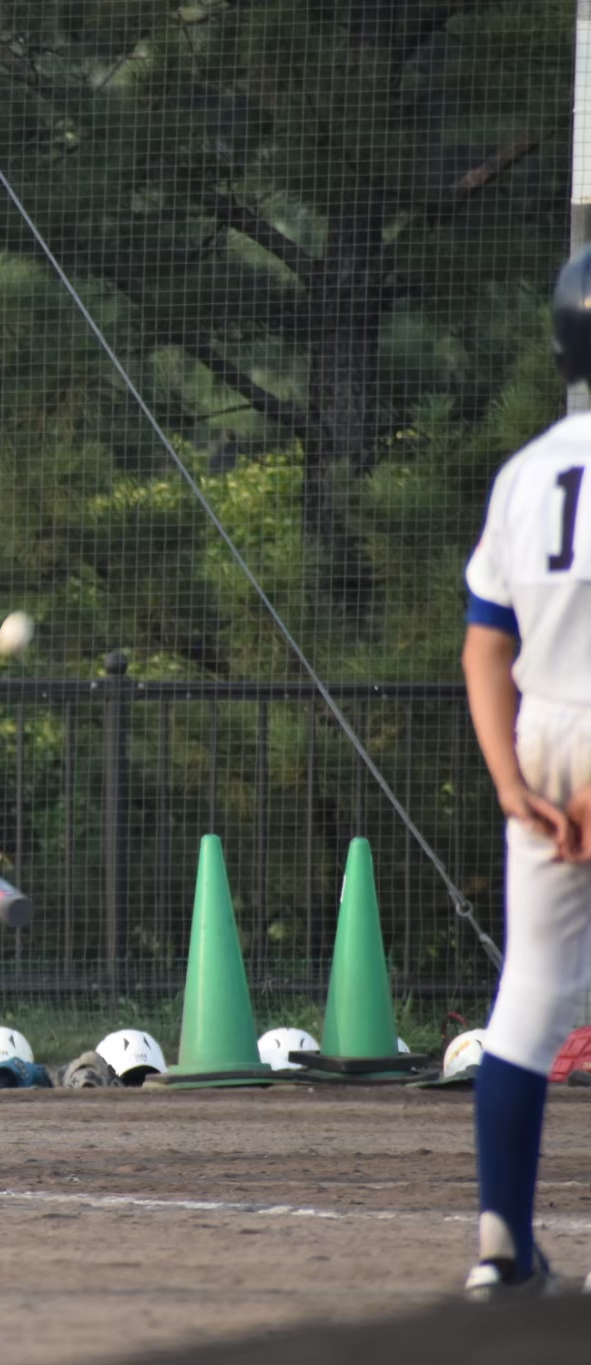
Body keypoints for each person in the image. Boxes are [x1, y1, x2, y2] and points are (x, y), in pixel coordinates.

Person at [459, 249, 591, 1298]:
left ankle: (501, 1240)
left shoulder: (526, 471)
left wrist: (512, 785)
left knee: (531, 995)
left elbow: (483, 646)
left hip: (539, 729)